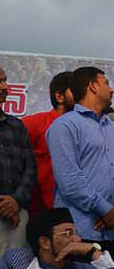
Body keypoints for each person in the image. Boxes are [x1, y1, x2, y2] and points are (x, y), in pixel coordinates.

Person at [47, 66, 114, 268]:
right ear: (93, 86)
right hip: (78, 233)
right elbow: (70, 180)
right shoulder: (64, 126)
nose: (111, 90)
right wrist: (105, 209)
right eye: (106, 83)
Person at [21, 71, 73, 217]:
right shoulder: (34, 124)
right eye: (76, 91)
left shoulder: (89, 130)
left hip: (75, 214)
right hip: (37, 213)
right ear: (59, 97)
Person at [0, 66, 37, 253]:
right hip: (8, 211)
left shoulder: (16, 125)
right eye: (0, 82)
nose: (5, 87)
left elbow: (30, 168)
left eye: (5, 81)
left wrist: (15, 201)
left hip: (15, 217)